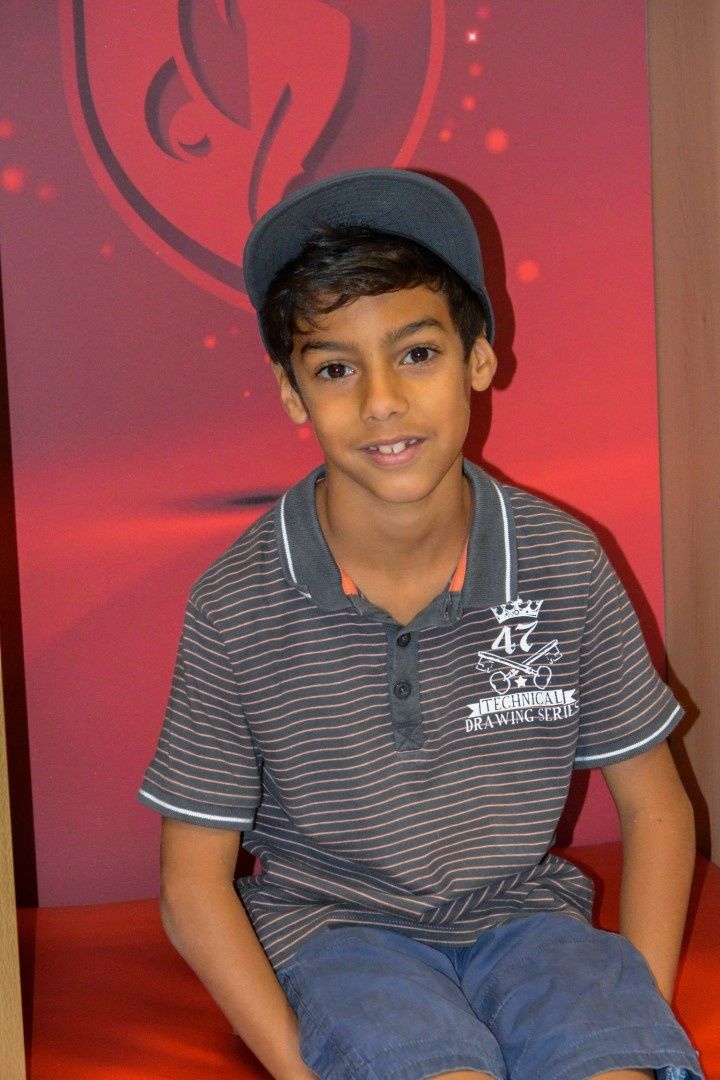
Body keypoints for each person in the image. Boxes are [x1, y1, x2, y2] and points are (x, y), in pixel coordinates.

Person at [138, 169, 703, 1080]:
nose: (381, 402)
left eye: (417, 353)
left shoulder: (564, 561)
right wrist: (302, 1069)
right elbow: (191, 886)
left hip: (532, 926)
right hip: (337, 938)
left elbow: (658, 808)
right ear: (292, 393)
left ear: (479, 359)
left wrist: (629, 1012)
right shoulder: (236, 602)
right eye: (335, 369)